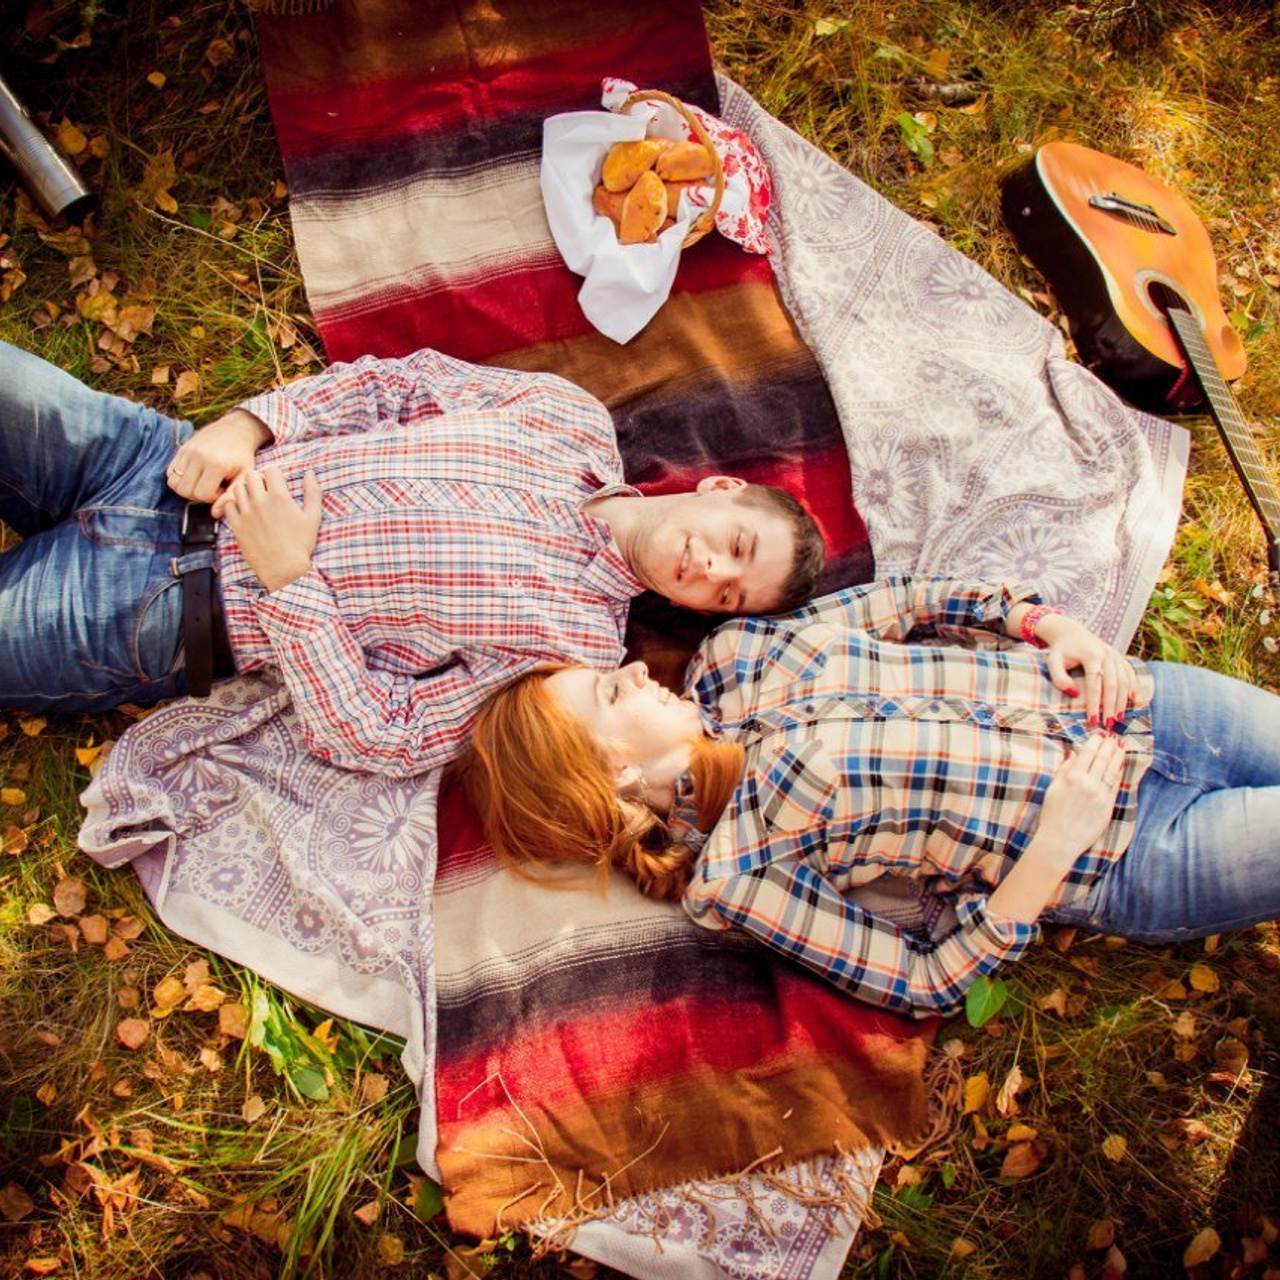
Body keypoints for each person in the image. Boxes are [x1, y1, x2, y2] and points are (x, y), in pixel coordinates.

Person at [457, 575, 1280, 1018]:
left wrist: (1041, 625)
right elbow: (923, 982)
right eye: (610, 693)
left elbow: (911, 602)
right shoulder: (736, 872)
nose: (636, 669)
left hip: (1147, 703)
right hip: (1130, 851)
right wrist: (1054, 849)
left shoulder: (735, 652)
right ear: (615, 778)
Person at [0, 341, 824, 775]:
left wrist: (290, 583)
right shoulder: (569, 419)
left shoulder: (572, 656)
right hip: (162, 460)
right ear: (719, 486)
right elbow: (397, 385)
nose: (714, 574)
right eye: (737, 547)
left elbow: (380, 736)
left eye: (729, 599)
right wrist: (251, 424)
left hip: (160, 608)